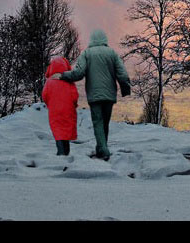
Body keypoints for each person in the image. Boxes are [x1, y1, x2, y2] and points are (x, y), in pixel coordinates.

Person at [51, 29, 131, 161]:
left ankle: (103, 150)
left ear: (92, 40)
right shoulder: (112, 53)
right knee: (104, 123)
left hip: (94, 95)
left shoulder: (87, 53)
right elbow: (122, 73)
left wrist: (63, 75)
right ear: (104, 39)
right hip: (110, 95)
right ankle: (101, 149)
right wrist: (125, 88)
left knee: (98, 122)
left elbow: (78, 73)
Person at [41, 56, 78, 156]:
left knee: (58, 130)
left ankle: (61, 151)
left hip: (54, 110)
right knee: (66, 130)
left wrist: (50, 104)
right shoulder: (69, 81)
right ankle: (66, 151)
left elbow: (44, 95)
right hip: (68, 109)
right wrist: (74, 105)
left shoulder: (49, 82)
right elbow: (74, 96)